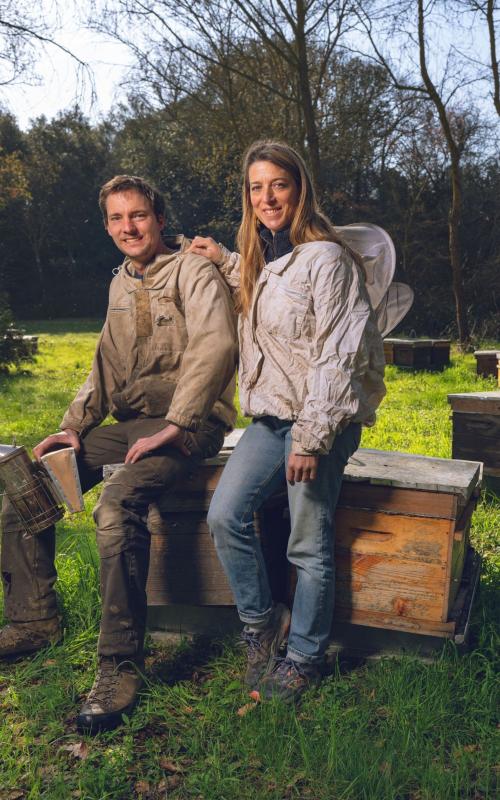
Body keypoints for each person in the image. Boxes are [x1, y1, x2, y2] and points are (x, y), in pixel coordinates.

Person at [0, 175, 238, 732]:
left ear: (159, 218)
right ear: (107, 226)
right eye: (116, 218)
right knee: (26, 485)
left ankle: (120, 664)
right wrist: (73, 427)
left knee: (117, 503)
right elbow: (105, 363)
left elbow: (217, 345)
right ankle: (34, 621)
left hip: (192, 426)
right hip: (132, 425)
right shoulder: (120, 282)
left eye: (138, 215)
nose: (128, 227)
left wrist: (177, 424)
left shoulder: (194, 271)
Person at [188, 141, 386, 702]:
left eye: (279, 184)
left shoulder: (328, 259)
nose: (267, 197)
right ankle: (262, 625)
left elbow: (338, 354)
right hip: (272, 418)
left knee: (307, 540)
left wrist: (312, 438)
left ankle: (303, 656)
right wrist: (224, 259)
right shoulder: (266, 259)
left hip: (320, 422)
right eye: (257, 187)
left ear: (300, 189)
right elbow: (272, 298)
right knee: (225, 514)